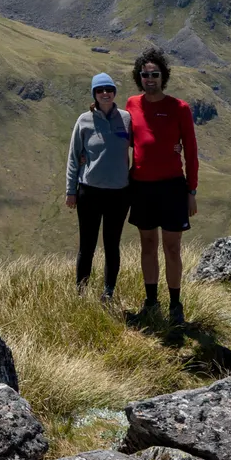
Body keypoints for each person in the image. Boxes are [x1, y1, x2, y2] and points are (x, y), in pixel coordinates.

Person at [123, 46, 200, 324]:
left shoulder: (179, 108)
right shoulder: (132, 104)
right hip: (141, 187)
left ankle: (175, 306)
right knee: (147, 243)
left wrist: (191, 191)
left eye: (155, 74)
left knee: (172, 247)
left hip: (172, 188)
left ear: (163, 76)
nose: (150, 79)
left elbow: (190, 151)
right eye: (145, 74)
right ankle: (151, 303)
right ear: (139, 77)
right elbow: (125, 140)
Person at [62, 72, 133, 301]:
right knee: (87, 245)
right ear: (94, 94)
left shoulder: (126, 119)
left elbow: (144, 146)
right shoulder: (84, 120)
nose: (105, 93)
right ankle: (81, 293)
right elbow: (74, 156)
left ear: (114, 93)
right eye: (100, 90)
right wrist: (70, 191)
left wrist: (174, 147)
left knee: (112, 245)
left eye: (109, 89)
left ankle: (108, 293)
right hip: (89, 192)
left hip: (119, 194)